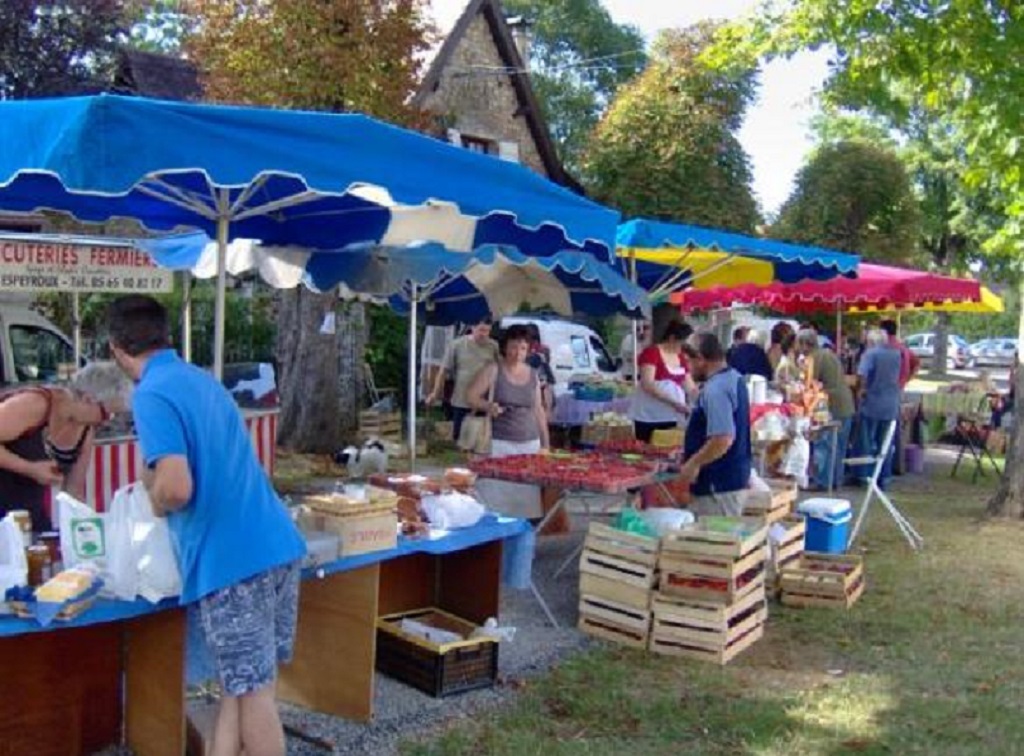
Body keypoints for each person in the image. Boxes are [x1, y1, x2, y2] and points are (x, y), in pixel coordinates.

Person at [106, 295, 305, 756]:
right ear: (166, 335)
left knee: (253, 694)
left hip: (232, 561)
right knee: (243, 684)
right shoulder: (200, 379)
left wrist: (152, 499)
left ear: (116, 349)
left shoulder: (151, 393)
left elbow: (176, 488)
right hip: (275, 544)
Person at [0, 368, 126, 532]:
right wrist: (30, 469)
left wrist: (79, 532)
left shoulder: (85, 429)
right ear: (88, 399)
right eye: (108, 414)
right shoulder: (34, 404)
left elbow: (73, 491)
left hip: (28, 514)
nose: (108, 421)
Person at [467, 325, 550, 518]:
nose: (517, 353)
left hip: (529, 444)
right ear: (504, 347)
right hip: (499, 444)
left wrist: (546, 443)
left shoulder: (533, 375)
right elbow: (471, 396)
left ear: (528, 350)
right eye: (513, 347)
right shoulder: (493, 370)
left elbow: (538, 409)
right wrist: (489, 406)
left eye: (522, 348)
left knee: (526, 496)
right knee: (496, 494)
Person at [679, 332, 753, 516]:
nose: (688, 368)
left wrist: (693, 463)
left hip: (717, 486)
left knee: (712, 540)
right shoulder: (733, 377)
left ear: (701, 359)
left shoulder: (716, 389)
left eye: (689, 362)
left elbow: (723, 438)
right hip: (731, 480)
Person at [796, 329, 856, 491]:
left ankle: (822, 481)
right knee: (839, 446)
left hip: (831, 405)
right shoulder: (828, 353)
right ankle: (836, 479)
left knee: (825, 444)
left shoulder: (813, 359)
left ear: (804, 344)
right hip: (846, 402)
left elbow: (808, 385)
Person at [427, 316, 499, 442]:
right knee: (460, 439)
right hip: (461, 400)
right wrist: (435, 393)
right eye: (481, 330)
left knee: (481, 440)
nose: (484, 334)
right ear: (472, 327)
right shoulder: (456, 345)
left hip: (484, 402)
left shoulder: (493, 346)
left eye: (487, 331)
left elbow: (499, 371)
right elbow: (443, 371)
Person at [851, 328, 903, 489]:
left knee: (866, 442)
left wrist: (860, 391)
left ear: (871, 342)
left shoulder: (870, 354)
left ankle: (864, 476)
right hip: (891, 403)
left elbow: (862, 376)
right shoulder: (896, 355)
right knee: (885, 444)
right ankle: (884, 477)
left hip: (873, 403)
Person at [629, 321, 696, 442]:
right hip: (649, 414)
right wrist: (674, 403)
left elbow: (689, 386)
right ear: (672, 338)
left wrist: (701, 399)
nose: (683, 348)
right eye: (681, 343)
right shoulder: (652, 352)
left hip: (672, 414)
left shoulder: (680, 357)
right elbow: (648, 384)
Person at [880, 319, 919, 389]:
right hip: (899, 388)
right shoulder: (905, 350)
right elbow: (916, 364)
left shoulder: (879, 350)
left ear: (883, 332)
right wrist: (907, 379)